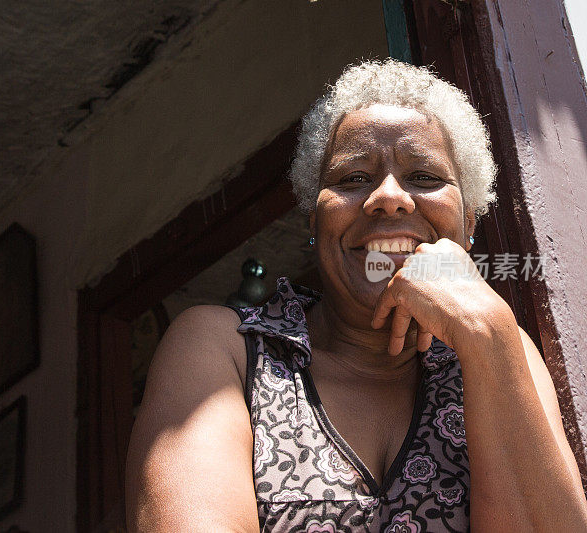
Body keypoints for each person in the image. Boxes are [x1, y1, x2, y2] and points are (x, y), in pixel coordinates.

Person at [125, 59, 587, 532]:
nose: (389, 197)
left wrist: (487, 331)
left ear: (468, 226)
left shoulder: (499, 347)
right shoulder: (227, 348)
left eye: (425, 177)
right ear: (315, 222)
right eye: (353, 179)